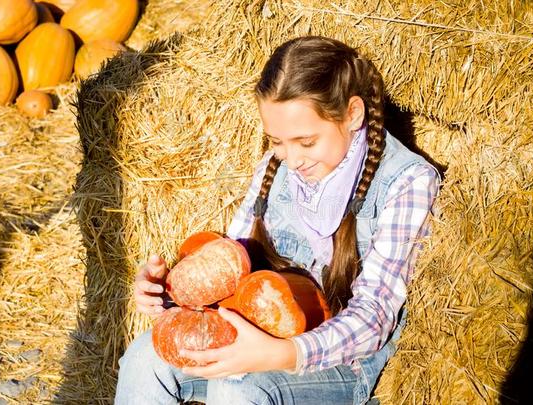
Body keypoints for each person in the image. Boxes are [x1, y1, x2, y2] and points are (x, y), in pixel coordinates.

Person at [115, 35, 440, 405]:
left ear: (353, 114)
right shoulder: (277, 166)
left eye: (306, 142)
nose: (291, 158)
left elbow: (373, 317)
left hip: (340, 362)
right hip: (262, 332)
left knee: (237, 387)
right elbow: (231, 270)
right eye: (276, 141)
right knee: (145, 358)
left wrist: (278, 355)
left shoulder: (406, 181)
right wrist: (170, 294)